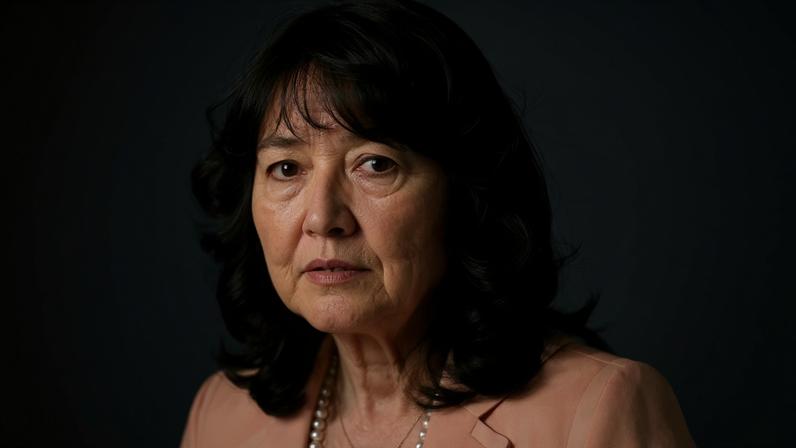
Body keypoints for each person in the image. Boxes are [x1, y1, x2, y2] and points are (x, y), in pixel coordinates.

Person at [182, 1, 695, 447]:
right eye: (286, 169)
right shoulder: (221, 414)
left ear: (465, 192)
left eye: (375, 164)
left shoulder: (600, 407)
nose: (322, 219)